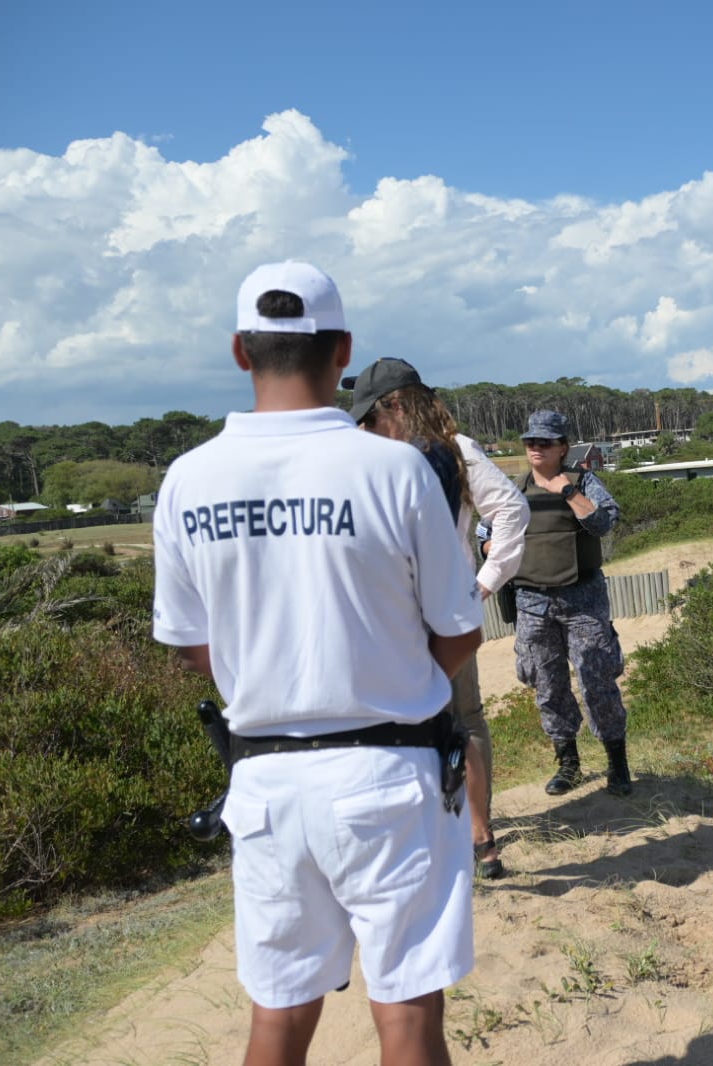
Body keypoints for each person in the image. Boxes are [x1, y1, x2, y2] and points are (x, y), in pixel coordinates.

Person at [152, 262, 483, 1064]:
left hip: (263, 783)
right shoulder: (394, 467)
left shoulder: (187, 479)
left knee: (280, 1012)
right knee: (405, 1015)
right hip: (388, 774)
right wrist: (395, 674)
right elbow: (458, 630)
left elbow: (195, 648)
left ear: (240, 351)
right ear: (342, 350)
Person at [346, 357, 530, 881]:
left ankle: (467, 838)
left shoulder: (451, 450)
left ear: (397, 405)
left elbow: (512, 512)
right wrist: (480, 585)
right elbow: (512, 511)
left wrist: (485, 581)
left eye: (371, 415)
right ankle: (475, 839)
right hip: (437, 610)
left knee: (440, 723)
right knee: (454, 722)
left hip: (404, 615)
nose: (365, 427)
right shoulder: (448, 449)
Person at [512, 409, 632, 797]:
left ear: (563, 447)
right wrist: (487, 544)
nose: (535, 448)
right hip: (533, 602)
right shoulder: (515, 489)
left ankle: (617, 764)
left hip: (582, 601)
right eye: (530, 441)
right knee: (548, 687)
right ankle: (568, 764)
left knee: (597, 682)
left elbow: (603, 523)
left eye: (544, 442)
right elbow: (487, 533)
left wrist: (569, 492)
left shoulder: (584, 482)